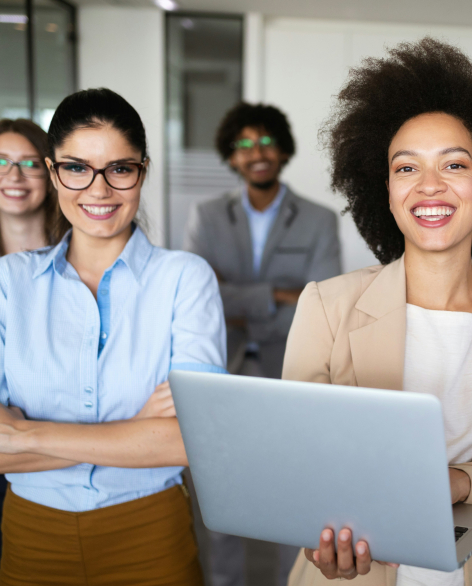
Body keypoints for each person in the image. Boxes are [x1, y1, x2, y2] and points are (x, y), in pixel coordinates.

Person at [282, 38, 472, 586]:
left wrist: (461, 483)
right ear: (388, 191)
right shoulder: (327, 307)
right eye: (406, 168)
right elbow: (295, 470)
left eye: (455, 164)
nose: (430, 186)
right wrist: (321, 538)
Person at [0, 87, 226, 585]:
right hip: (32, 534)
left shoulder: (184, 278)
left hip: (150, 532)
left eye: (119, 168)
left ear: (142, 172)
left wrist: (20, 432)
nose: (98, 189)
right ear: (53, 173)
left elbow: (193, 441)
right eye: (76, 168)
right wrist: (135, 432)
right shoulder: (10, 283)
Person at [182, 102, 341, 586]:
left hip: (291, 373)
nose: (257, 153)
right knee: (223, 497)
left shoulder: (319, 219)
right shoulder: (206, 215)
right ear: (231, 155)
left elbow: (321, 305)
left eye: (267, 141)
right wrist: (275, 295)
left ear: (284, 150)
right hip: (221, 371)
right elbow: (200, 295)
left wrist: (239, 302)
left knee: (287, 501)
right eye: (245, 144)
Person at [0, 118, 67, 586]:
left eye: (30, 163)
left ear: (52, 175)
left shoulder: (86, 260)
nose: (13, 176)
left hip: (61, 474)